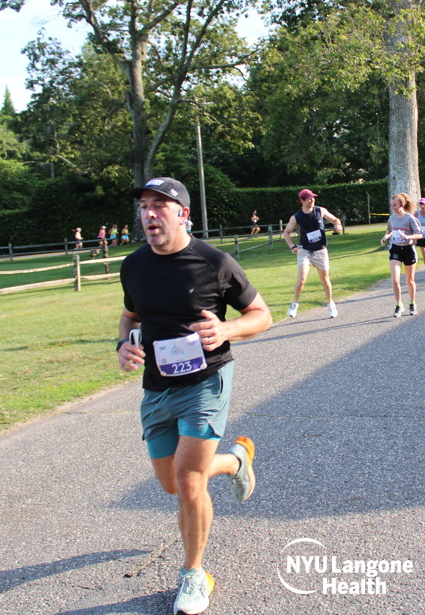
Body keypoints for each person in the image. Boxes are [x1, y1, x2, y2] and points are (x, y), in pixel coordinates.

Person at [116, 177, 272, 615]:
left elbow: (261, 314)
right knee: (172, 483)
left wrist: (227, 328)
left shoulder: (214, 262)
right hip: (157, 386)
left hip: (206, 380)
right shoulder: (134, 266)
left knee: (188, 482)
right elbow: (130, 316)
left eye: (159, 205)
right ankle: (235, 461)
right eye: (144, 206)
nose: (149, 214)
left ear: (183, 213)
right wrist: (123, 344)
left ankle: (193, 574)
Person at [282, 189, 343, 319]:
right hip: (305, 251)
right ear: (302, 200)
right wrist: (292, 246)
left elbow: (335, 219)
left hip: (320, 251)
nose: (312, 200)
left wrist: (338, 225)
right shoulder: (296, 217)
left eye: (313, 198)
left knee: (325, 280)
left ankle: (331, 305)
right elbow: (286, 232)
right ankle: (294, 305)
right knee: (302, 279)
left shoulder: (320, 211)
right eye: (309, 198)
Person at [379, 193, 423, 317]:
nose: (393, 207)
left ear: (402, 205)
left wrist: (408, 237)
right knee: (395, 279)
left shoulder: (410, 218)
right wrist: (385, 237)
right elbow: (390, 230)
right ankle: (399, 305)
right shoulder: (392, 218)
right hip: (396, 249)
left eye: (395, 205)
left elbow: (419, 234)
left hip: (408, 249)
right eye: (391, 205)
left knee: (410, 280)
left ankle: (412, 303)